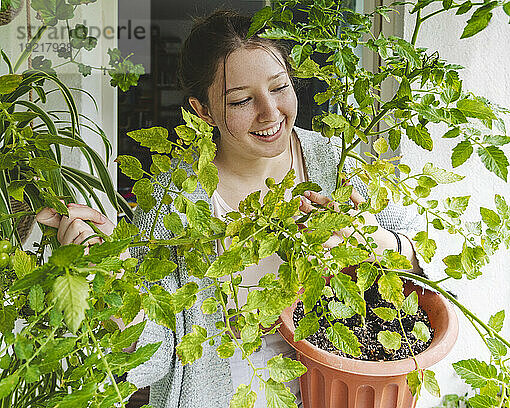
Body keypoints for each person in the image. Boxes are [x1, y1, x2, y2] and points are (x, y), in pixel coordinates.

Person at [36, 10, 425, 408]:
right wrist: (112, 286)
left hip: (338, 390)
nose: (271, 113)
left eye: (280, 87)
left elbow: (427, 263)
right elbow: (154, 357)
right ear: (202, 111)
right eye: (241, 100)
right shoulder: (174, 200)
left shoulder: (334, 164)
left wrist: (373, 239)